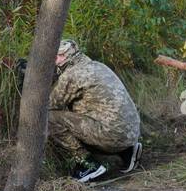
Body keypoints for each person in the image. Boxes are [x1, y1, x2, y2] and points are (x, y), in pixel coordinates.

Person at [34, 39, 142, 182]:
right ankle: (127, 152)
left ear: (69, 56)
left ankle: (88, 164)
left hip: (110, 135)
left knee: (48, 118)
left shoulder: (72, 74)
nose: (55, 60)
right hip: (131, 133)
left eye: (58, 56)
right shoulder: (97, 65)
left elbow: (49, 105)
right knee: (84, 115)